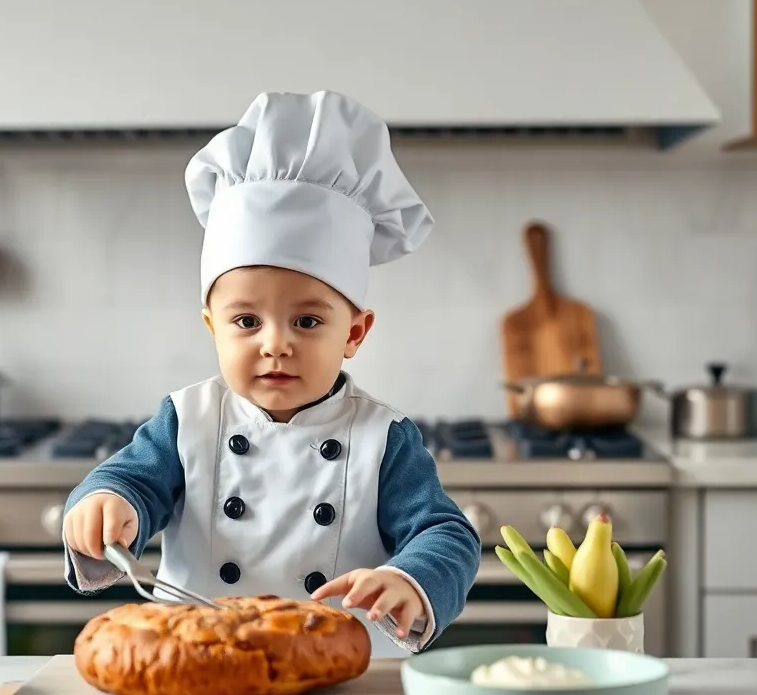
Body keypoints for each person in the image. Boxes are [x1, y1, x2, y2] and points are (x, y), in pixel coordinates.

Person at [62, 90, 481, 657]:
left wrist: (409, 580)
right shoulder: (186, 420)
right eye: (246, 320)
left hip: (340, 674)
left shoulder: (383, 438)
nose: (276, 344)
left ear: (354, 333)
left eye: (307, 320)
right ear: (213, 327)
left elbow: (446, 534)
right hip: (200, 665)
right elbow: (131, 484)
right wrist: (104, 503)